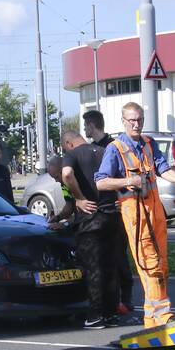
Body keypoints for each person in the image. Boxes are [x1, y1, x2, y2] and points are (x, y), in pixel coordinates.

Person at [95, 102, 175, 328]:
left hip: (156, 214)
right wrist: (128, 181)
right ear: (123, 122)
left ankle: (152, 318)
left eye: (139, 119)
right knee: (150, 265)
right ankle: (162, 315)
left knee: (162, 264)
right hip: (136, 216)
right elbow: (101, 182)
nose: (136, 124)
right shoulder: (116, 149)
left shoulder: (149, 144)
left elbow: (163, 169)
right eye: (132, 120)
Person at [60, 129, 120, 329]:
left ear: (68, 144)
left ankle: (95, 315)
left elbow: (67, 174)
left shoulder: (72, 155)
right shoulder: (104, 151)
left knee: (93, 267)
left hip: (90, 218)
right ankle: (112, 313)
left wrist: (78, 198)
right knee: (111, 266)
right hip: (111, 216)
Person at [83, 109, 134, 312]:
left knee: (119, 256)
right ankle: (111, 300)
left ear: (91, 125)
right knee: (104, 258)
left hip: (117, 210)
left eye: (86, 125)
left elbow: (122, 176)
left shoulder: (113, 147)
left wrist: (120, 198)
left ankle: (127, 298)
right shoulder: (90, 148)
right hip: (99, 212)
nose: (85, 128)